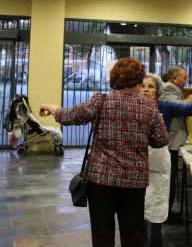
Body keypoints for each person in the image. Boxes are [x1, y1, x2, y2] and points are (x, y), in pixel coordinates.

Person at [40, 58, 168, 247]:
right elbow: (161, 141)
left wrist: (51, 107)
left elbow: (69, 116)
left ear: (114, 78)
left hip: (101, 180)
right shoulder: (149, 107)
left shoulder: (101, 101)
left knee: (102, 236)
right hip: (134, 182)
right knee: (133, 236)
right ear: (138, 80)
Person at [140, 73, 192, 246]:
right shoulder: (133, 107)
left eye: (151, 86)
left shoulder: (163, 106)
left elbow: (190, 109)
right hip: (137, 164)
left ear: (157, 91)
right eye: (143, 86)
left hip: (158, 163)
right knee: (138, 210)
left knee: (155, 209)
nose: (146, 90)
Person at [158, 65, 192, 222]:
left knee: (171, 179)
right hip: (169, 142)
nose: (186, 80)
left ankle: (168, 212)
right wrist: (189, 101)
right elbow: (178, 108)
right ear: (174, 78)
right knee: (168, 180)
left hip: (173, 142)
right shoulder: (168, 90)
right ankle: (166, 215)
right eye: (184, 77)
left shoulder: (173, 90)